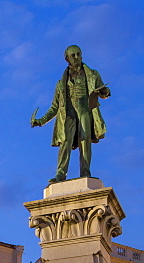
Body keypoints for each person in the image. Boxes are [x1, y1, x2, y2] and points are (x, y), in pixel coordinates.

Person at [31, 45, 111, 183]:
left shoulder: (92, 74)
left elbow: (104, 91)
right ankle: (60, 174)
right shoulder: (60, 84)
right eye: (73, 55)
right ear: (67, 58)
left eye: (79, 54)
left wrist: (105, 92)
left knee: (85, 139)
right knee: (65, 142)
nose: (77, 57)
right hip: (68, 114)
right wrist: (41, 121)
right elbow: (55, 107)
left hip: (85, 110)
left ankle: (85, 172)